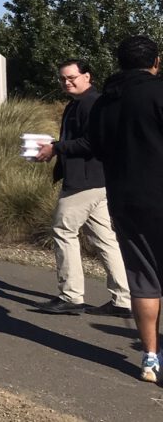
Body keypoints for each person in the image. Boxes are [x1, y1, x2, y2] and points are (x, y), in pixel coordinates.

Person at [88, 35, 163, 383]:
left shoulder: (106, 102)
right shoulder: (158, 92)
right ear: (156, 61)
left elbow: (97, 148)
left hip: (125, 201)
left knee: (144, 280)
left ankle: (150, 357)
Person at [31, 59, 131, 316]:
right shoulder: (81, 104)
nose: (67, 82)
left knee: (63, 230)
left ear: (88, 76)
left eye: (72, 77)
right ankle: (123, 299)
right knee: (105, 239)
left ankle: (71, 296)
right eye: (63, 79)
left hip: (84, 181)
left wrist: (56, 147)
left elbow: (92, 143)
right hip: (98, 181)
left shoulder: (91, 104)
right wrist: (54, 146)